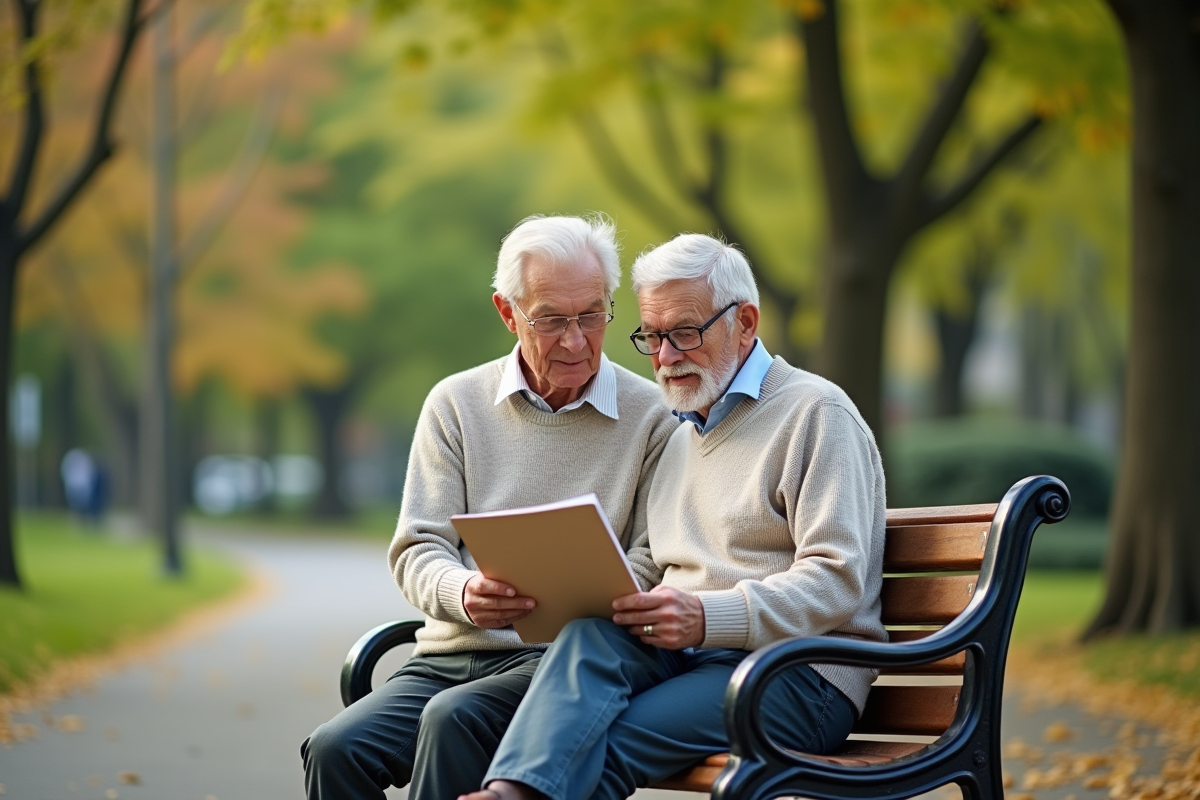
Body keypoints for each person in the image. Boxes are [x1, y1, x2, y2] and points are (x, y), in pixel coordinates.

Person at [463, 233, 888, 800]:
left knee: (598, 743)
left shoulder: (816, 414)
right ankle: (508, 793)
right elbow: (662, 569)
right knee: (589, 638)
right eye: (653, 336)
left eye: (685, 333)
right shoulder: (680, 431)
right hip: (689, 658)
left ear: (745, 322)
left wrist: (706, 617)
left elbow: (837, 580)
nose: (665, 357)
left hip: (797, 674)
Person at [301, 214, 678, 800]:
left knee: (453, 720)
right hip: (448, 655)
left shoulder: (652, 415)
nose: (577, 340)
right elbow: (417, 547)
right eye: (552, 320)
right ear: (509, 313)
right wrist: (463, 594)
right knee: (335, 750)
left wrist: (599, 587)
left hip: (560, 666)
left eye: (593, 314)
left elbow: (657, 557)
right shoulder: (455, 404)